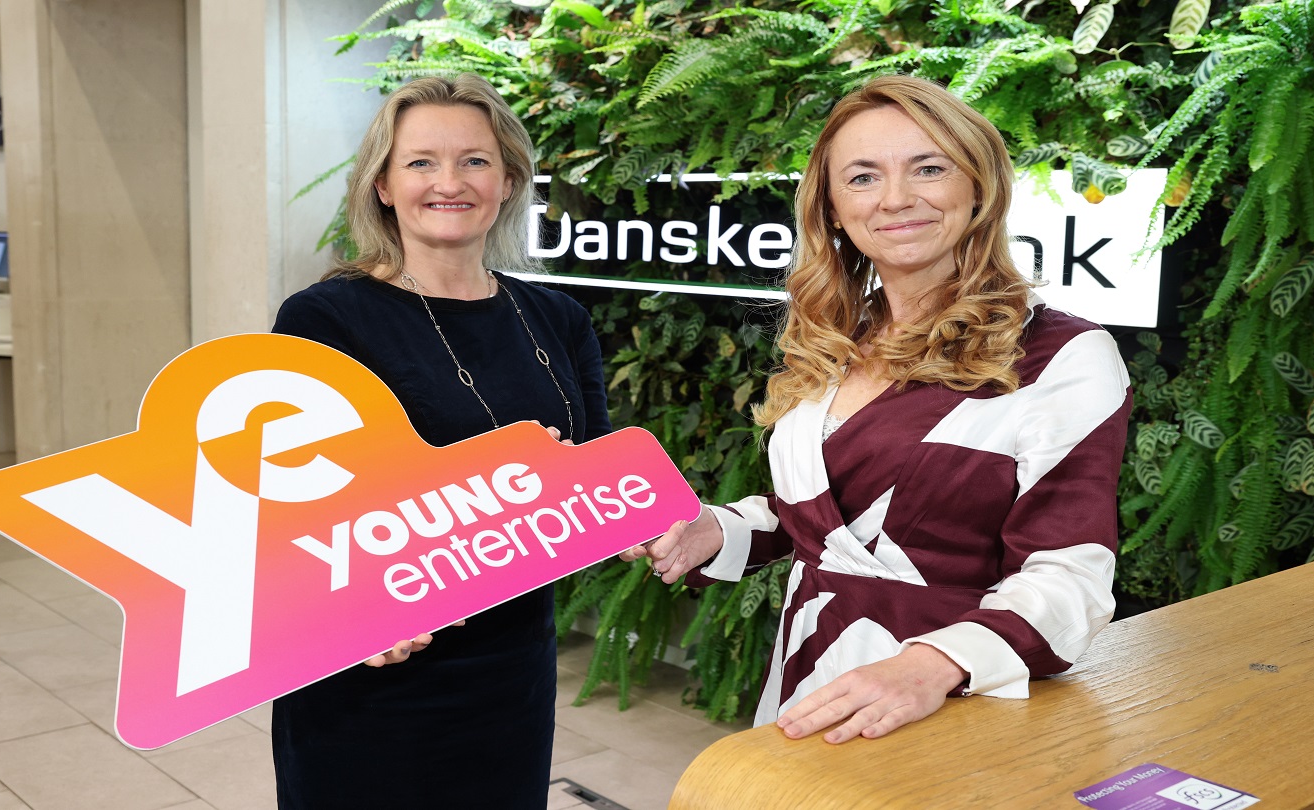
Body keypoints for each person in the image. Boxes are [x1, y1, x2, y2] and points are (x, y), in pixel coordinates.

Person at [623, 74, 1130, 744]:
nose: (896, 198)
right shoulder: (833, 340)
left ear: (979, 186)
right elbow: (823, 517)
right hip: (805, 680)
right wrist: (715, 530)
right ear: (832, 206)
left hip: (953, 697)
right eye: (863, 177)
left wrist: (935, 665)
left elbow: (1071, 576)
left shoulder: (1062, 354)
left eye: (928, 168)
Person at [270, 74, 610, 808]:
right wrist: (354, 614)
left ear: (510, 179)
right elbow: (286, 509)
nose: (448, 182)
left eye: (475, 161)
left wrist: (565, 486)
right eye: (420, 161)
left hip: (511, 668)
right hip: (372, 671)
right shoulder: (325, 319)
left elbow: (597, 487)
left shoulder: (557, 318)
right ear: (384, 186)